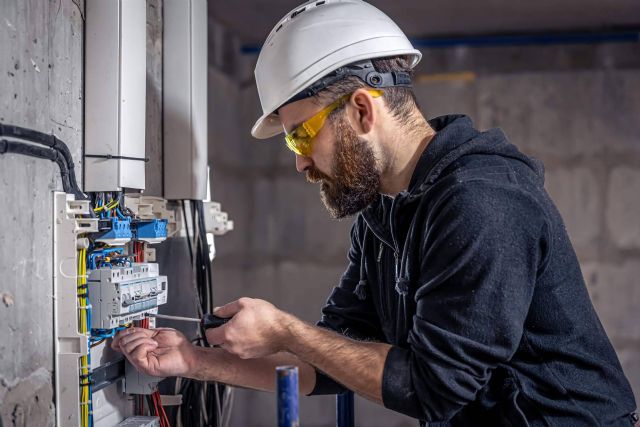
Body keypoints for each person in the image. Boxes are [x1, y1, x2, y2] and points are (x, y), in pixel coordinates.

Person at [113, 1, 638, 425]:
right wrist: (195, 361)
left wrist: (287, 330)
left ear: (363, 110)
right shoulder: (383, 215)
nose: (299, 161)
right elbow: (332, 362)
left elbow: (434, 389)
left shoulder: (483, 202)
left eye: (301, 133)